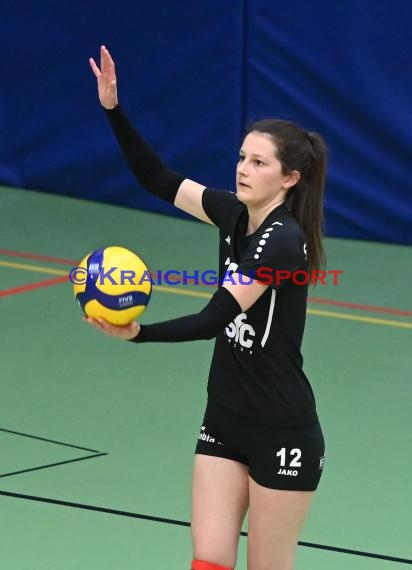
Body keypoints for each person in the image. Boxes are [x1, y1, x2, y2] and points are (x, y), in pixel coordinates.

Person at [88, 45, 327, 570]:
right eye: (242, 156)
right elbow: (157, 178)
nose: (243, 169)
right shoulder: (232, 212)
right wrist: (113, 109)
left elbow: (214, 319)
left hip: (282, 430)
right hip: (224, 415)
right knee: (209, 560)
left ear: (289, 179)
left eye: (259, 163)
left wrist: (139, 334)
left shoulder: (281, 242)